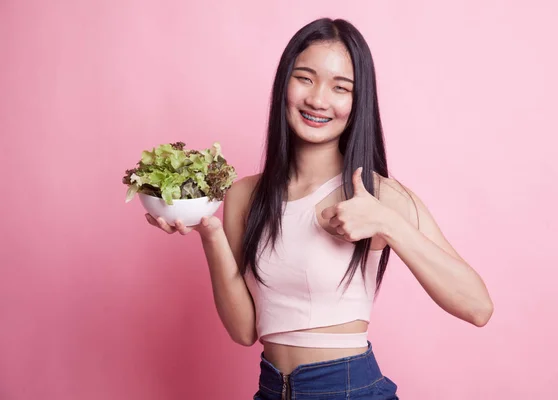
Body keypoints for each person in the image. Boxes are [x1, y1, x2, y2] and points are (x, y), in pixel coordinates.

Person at [146, 17, 493, 400]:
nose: (318, 100)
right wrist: (208, 232)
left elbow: (477, 307)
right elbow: (244, 331)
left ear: (358, 101)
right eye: (305, 78)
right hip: (271, 388)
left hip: (349, 389)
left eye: (340, 87)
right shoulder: (246, 195)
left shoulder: (378, 194)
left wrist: (387, 223)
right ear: (284, 85)